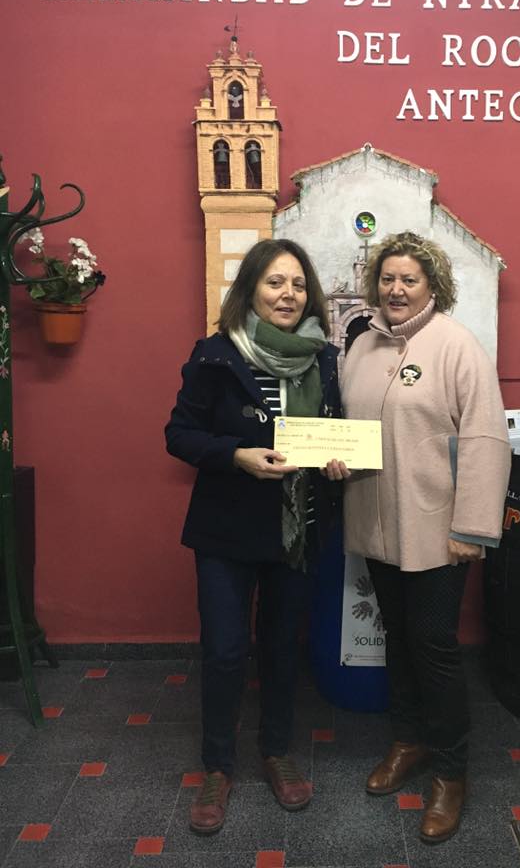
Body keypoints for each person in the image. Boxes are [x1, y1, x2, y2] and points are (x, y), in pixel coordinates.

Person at [326, 231, 510, 844]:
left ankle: (451, 772)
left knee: (433, 644)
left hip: (437, 528)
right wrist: (334, 459)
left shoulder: (457, 346)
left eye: (409, 279)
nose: (396, 289)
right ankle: (409, 741)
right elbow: (348, 427)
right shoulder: (360, 346)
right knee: (398, 640)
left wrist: (471, 528)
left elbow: (486, 440)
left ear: (432, 284)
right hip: (375, 521)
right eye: (388, 278)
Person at [166, 239, 341, 834]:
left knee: (281, 646)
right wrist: (235, 454)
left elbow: (335, 429)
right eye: (274, 282)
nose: (287, 294)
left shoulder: (324, 358)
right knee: (224, 650)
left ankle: (276, 750)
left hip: (297, 530)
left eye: (298, 284)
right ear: (251, 290)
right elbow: (179, 434)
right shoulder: (217, 354)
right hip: (226, 530)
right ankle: (218, 765)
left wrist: (338, 460)